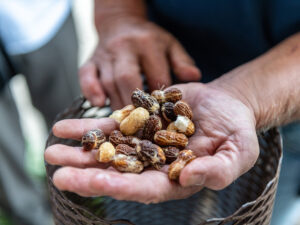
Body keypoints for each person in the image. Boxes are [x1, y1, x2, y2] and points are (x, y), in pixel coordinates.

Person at [45, 0, 300, 224]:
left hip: (282, 103)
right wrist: (119, 15)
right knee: (144, 204)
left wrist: (246, 98)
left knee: (252, 205)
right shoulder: (155, 122)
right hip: (164, 68)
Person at [0, 1, 80, 224]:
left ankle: (77, 203)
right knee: (3, 153)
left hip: (40, 16)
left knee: (69, 120)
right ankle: (31, 217)